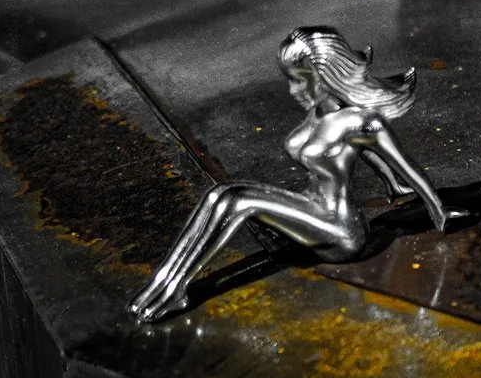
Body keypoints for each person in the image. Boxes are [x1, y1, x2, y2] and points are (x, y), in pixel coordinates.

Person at [130, 27, 448, 323]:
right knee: (221, 194)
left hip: (341, 232)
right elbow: (362, 154)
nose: (292, 90)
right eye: (290, 79)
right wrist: (392, 186)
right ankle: (163, 284)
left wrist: (439, 210)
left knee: (236, 200)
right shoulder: (319, 116)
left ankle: (174, 290)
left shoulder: (361, 122)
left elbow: (405, 166)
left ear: (325, 76)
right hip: (312, 207)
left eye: (299, 80)